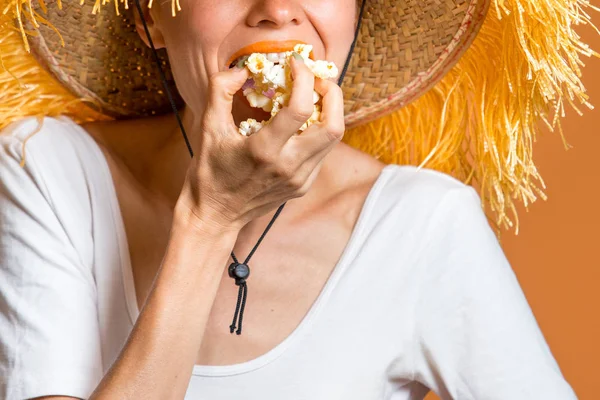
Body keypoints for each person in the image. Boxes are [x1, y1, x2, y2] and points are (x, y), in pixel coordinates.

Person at [0, 0, 594, 397]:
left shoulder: (423, 225)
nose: (277, 10)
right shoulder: (45, 171)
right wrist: (211, 220)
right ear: (149, 16)